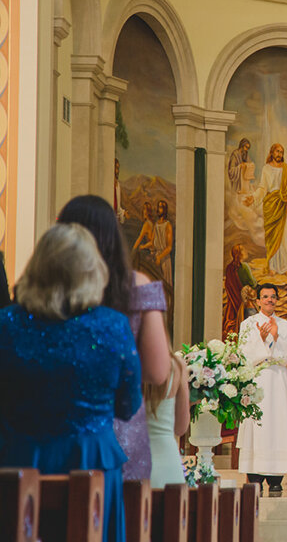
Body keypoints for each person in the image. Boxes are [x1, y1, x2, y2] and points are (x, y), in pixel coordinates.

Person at [0, 223, 142, 542]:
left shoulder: (6, 325)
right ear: (93, 273)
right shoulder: (113, 326)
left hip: (19, 461)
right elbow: (128, 404)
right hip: (93, 462)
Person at [59, 194, 171, 481]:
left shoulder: (49, 287)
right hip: (119, 430)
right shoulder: (136, 284)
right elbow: (159, 372)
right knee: (116, 520)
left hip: (56, 425)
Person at [236, 283, 287, 495]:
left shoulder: (286, 326)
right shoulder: (248, 324)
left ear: (277, 300)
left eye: (273, 297)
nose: (269, 300)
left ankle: (276, 478)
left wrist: (276, 336)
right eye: (265, 297)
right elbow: (243, 353)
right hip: (257, 379)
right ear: (257, 301)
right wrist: (262, 339)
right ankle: (255, 476)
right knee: (258, 424)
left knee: (278, 424)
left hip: (278, 380)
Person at [243, 144, 287, 274]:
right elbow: (263, 188)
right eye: (277, 151)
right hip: (271, 205)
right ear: (272, 152)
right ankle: (273, 267)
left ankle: (286, 266)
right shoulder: (266, 169)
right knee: (272, 237)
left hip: (284, 206)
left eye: (282, 152)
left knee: (284, 236)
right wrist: (253, 198)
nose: (280, 154)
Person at [144, 345, 189, 487]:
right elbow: (180, 428)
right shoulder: (176, 365)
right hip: (168, 464)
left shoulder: (120, 361)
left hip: (129, 460)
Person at [222, 244, 257, 338]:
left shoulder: (229, 268)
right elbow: (252, 283)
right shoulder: (244, 266)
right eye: (244, 251)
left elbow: (228, 286)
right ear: (240, 253)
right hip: (245, 302)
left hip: (233, 303)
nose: (246, 252)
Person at [152, 200, 173, 285]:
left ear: (164, 210)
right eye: (158, 207)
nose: (158, 209)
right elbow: (153, 242)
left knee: (165, 285)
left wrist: (160, 257)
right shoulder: (156, 224)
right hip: (157, 257)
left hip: (164, 259)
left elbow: (169, 247)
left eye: (160, 207)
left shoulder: (168, 225)